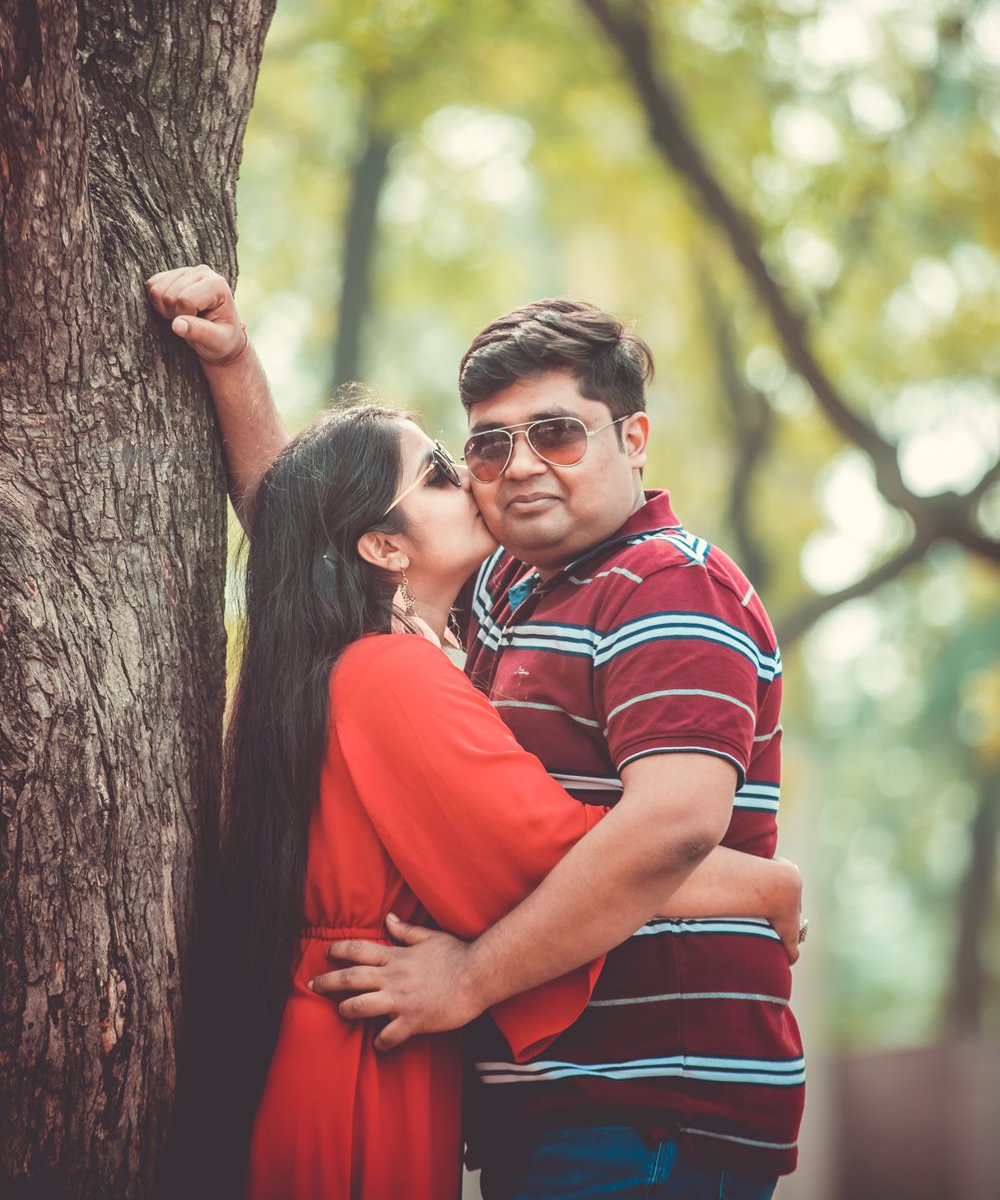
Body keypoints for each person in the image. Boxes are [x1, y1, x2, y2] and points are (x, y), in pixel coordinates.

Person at [145, 267, 805, 1199]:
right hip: (538, 1096)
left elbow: (667, 828)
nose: (519, 465)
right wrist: (235, 365)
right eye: (481, 451)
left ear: (635, 437)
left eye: (558, 433)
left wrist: (469, 979)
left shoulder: (665, 584)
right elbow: (314, 536)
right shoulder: (501, 600)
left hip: (650, 1097)